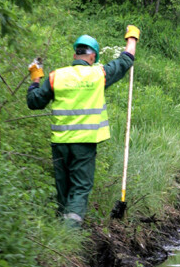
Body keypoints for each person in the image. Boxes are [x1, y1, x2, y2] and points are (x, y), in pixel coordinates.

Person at [27, 25, 140, 227]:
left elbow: (34, 102)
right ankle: (69, 234)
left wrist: (36, 77)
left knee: (63, 188)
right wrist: (132, 36)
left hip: (60, 143)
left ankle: (60, 232)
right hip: (84, 145)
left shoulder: (56, 76)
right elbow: (126, 60)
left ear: (75, 54)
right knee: (79, 189)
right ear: (93, 56)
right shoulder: (99, 74)